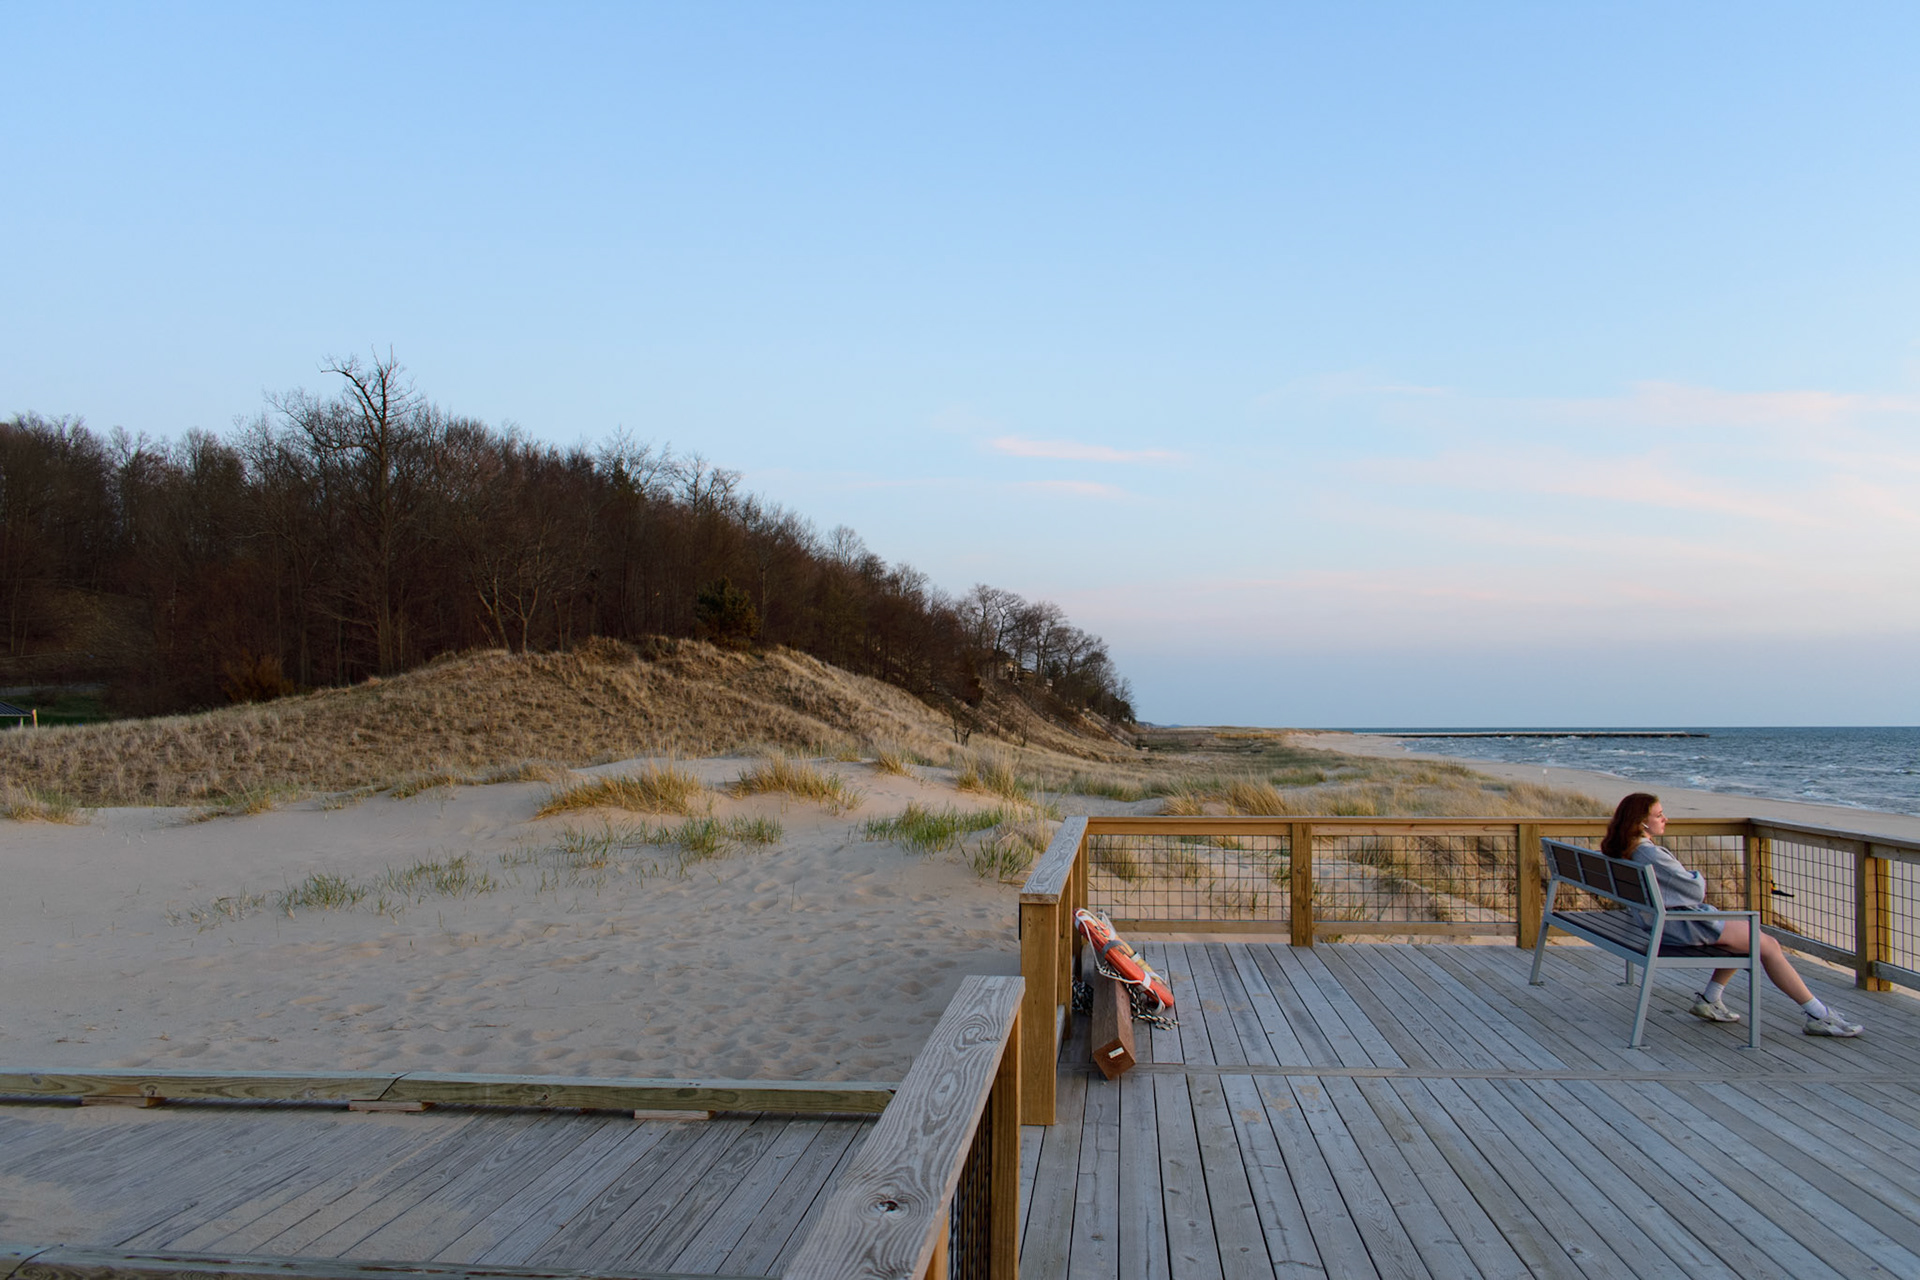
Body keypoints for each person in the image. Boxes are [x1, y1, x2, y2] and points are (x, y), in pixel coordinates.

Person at [1601, 792, 1863, 1037]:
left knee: (1747, 935)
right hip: (1678, 926)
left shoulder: (1628, 849)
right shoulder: (1649, 853)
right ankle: (1818, 1015)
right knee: (1768, 945)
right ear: (1641, 823)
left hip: (1660, 923)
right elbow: (1694, 891)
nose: (1665, 819)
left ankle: (1710, 1000)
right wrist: (1695, 876)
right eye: (1659, 815)